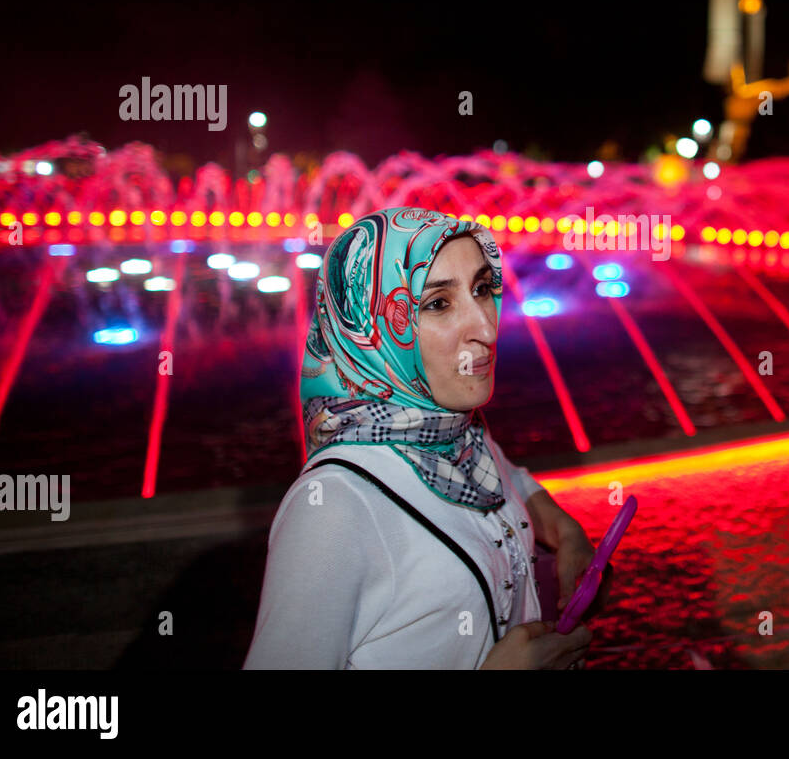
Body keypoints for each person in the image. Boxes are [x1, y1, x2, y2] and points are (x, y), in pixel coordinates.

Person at [244, 207, 608, 668]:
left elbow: (512, 479)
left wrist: (566, 533)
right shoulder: (334, 507)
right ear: (372, 327)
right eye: (438, 303)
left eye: (481, 289)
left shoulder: (459, 436)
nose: (487, 328)